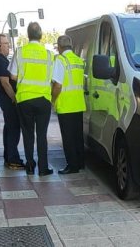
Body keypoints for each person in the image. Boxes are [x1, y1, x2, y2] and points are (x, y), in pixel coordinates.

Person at [8, 22, 54, 176]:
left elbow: (13, 76)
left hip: (24, 99)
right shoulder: (48, 54)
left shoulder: (20, 52)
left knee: (28, 134)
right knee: (42, 134)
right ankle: (43, 168)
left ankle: (29, 165)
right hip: (43, 99)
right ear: (41, 36)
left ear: (28, 35)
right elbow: (54, 78)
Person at [52, 35, 86, 174]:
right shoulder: (78, 60)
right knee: (78, 136)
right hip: (78, 104)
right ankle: (80, 163)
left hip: (65, 105)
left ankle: (72, 166)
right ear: (70, 46)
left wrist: (52, 99)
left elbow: (58, 85)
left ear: (59, 47)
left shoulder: (61, 60)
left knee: (68, 138)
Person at [0, 34, 24, 170]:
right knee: (14, 129)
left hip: (5, 98)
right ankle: (13, 159)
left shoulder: (2, 59)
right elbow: (5, 83)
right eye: (6, 43)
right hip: (7, 98)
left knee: (9, 128)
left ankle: (8, 156)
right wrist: (15, 99)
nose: (8, 46)